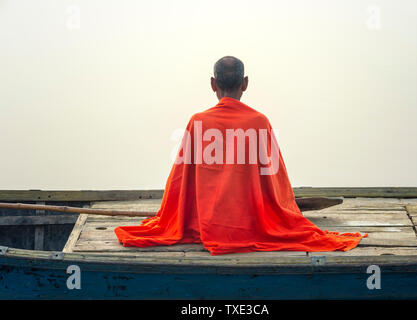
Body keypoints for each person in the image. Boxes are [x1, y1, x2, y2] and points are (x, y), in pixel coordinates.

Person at [114, 56, 366, 255]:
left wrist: (168, 217)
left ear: (213, 84)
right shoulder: (259, 122)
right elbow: (274, 180)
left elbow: (180, 182)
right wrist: (285, 211)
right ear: (245, 83)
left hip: (207, 224)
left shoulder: (197, 122)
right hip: (250, 222)